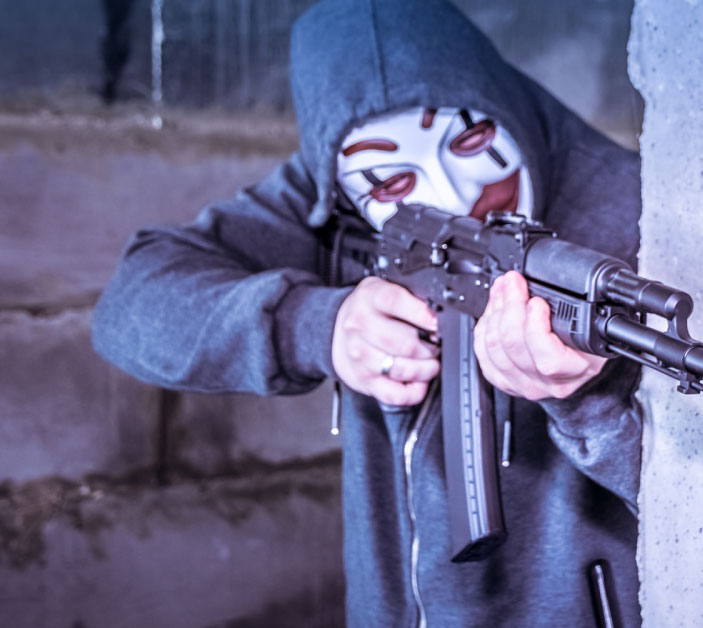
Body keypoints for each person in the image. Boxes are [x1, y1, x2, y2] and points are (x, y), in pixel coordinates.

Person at [91, 0, 643, 625]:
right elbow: (132, 304)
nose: (453, 196)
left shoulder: (639, 219)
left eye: (470, 141)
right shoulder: (333, 205)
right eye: (393, 184)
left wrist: (588, 406)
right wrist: (318, 327)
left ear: (500, 102)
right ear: (345, 187)